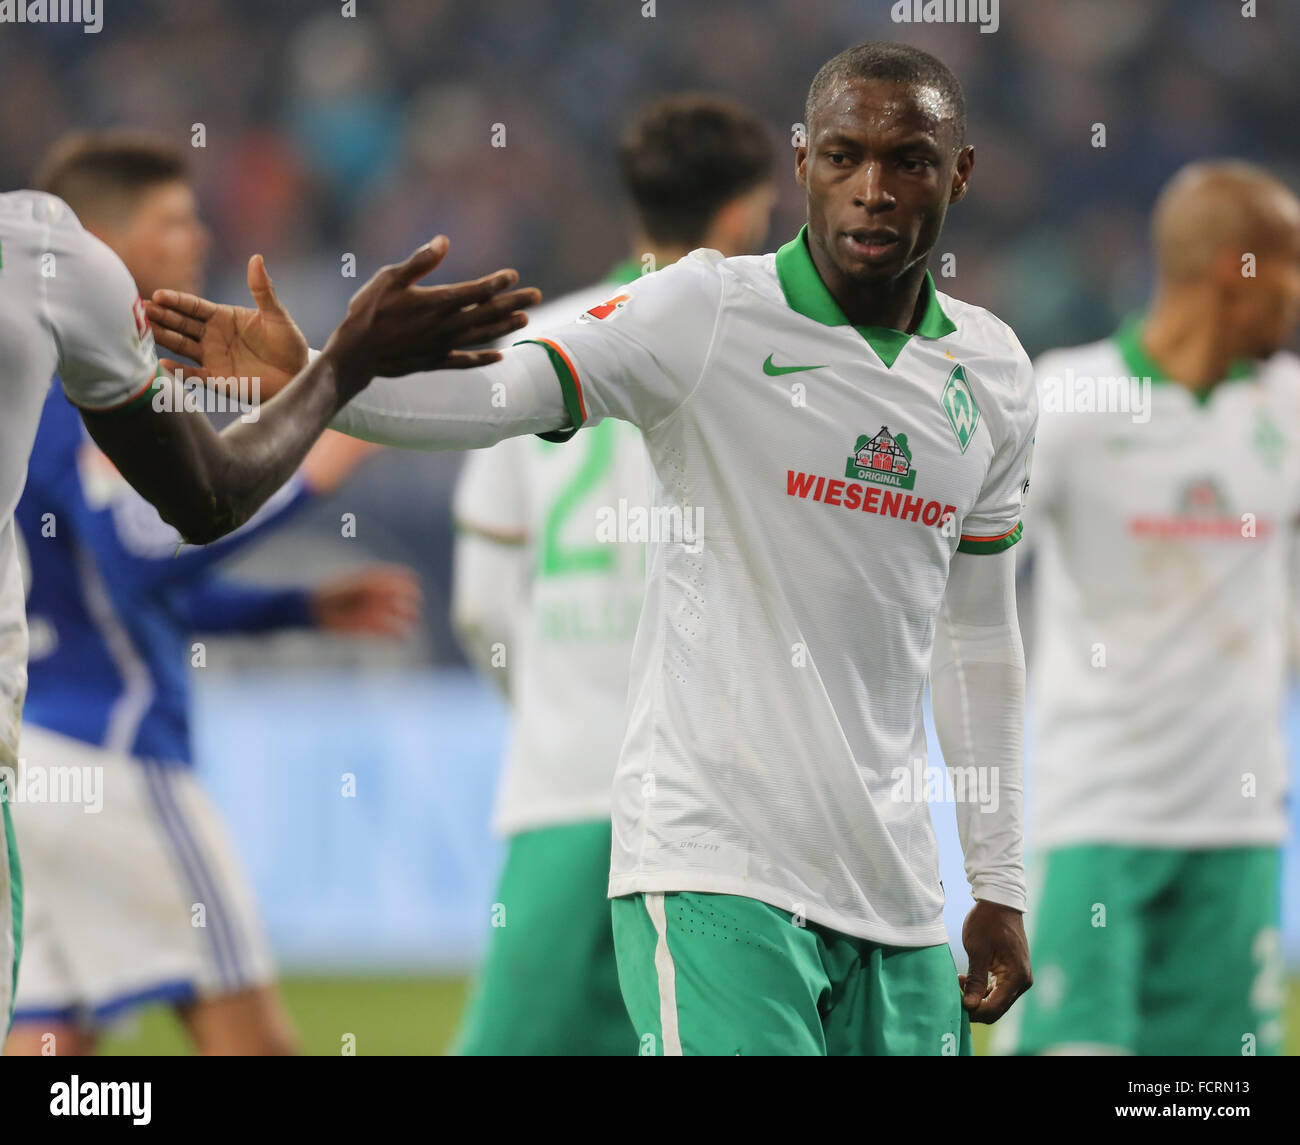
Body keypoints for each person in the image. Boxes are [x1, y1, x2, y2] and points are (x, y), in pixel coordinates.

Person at [149, 41, 1037, 1056]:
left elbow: (979, 636)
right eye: (843, 156)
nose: (871, 191)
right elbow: (497, 394)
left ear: (959, 173)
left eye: (909, 161)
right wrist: (316, 374)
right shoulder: (706, 310)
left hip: (901, 893)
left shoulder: (993, 374)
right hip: (717, 867)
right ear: (800, 163)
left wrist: (999, 881)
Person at [0, 177, 540, 1036]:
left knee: (51, 1039)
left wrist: (289, 609)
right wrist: (342, 397)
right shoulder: (48, 301)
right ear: (100, 238)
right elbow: (153, 550)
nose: (197, 234)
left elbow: (128, 590)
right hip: (114, 749)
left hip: (34, 759)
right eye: (171, 219)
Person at [450, 94, 775, 1055]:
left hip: (566, 783)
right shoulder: (770, 355)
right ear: (741, 217)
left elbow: (478, 604)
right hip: (721, 798)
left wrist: (553, 697)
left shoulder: (536, 342)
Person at [994, 160, 1300, 1056]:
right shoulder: (1072, 397)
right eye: (1289, 264)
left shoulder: (1287, 409)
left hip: (1238, 829)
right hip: (1098, 818)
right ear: (1232, 269)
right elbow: (961, 559)